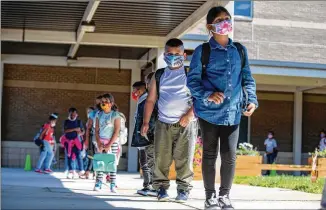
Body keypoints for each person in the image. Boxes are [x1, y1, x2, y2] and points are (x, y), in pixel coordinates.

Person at [187, 6, 258, 209]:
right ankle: (210, 197)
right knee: (209, 154)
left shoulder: (240, 50)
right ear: (211, 26)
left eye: (228, 18)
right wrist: (207, 95)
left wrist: (251, 99)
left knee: (229, 156)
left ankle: (224, 196)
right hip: (208, 113)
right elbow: (192, 82)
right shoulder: (203, 51)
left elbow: (247, 79)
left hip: (233, 112)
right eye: (220, 19)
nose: (226, 21)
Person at [141, 38, 197, 203]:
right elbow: (150, 100)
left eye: (177, 54)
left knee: (184, 158)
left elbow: (198, 98)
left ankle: (183, 190)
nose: (173, 57)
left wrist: (189, 115)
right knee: (161, 159)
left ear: (184, 55)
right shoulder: (159, 75)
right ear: (164, 55)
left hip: (186, 124)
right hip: (163, 123)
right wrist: (145, 122)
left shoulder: (190, 74)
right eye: (169, 54)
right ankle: (161, 189)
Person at [131, 78, 157, 197]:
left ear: (142, 89)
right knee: (143, 162)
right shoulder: (141, 100)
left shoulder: (147, 99)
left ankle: (149, 185)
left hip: (146, 137)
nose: (134, 93)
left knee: (147, 162)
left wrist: (147, 133)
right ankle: (147, 184)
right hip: (141, 136)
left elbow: (150, 119)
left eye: (135, 90)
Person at [94, 93, 121, 193]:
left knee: (111, 163)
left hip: (112, 142)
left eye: (106, 102)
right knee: (100, 162)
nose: (103, 103)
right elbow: (96, 130)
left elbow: (116, 131)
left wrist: (109, 144)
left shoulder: (115, 115)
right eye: (102, 102)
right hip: (101, 141)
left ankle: (112, 184)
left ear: (111, 103)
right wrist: (99, 142)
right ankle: (98, 182)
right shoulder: (98, 114)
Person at [60, 108, 85, 179]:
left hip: (77, 141)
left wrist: (80, 132)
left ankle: (81, 170)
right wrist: (74, 129)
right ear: (69, 114)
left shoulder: (79, 121)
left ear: (77, 114)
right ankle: (71, 171)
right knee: (70, 156)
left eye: (74, 114)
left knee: (78, 155)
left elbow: (82, 131)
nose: (73, 116)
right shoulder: (66, 121)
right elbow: (65, 131)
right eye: (71, 114)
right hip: (68, 141)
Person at [85, 96, 103, 179]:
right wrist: (86, 140)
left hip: (104, 137)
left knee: (103, 156)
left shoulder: (107, 112)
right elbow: (88, 127)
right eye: (96, 102)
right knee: (93, 155)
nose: (97, 104)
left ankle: (107, 175)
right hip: (94, 137)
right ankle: (94, 172)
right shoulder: (93, 113)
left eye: (99, 102)